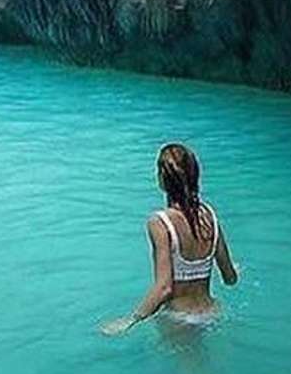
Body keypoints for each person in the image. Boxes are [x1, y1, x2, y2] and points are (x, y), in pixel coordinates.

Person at [99, 142, 238, 335]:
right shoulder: (210, 216)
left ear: (162, 180)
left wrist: (129, 321)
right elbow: (230, 278)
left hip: (179, 319)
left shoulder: (160, 223)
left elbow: (164, 288)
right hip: (212, 314)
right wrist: (233, 270)